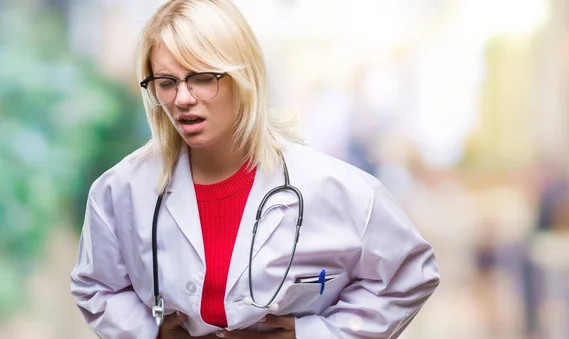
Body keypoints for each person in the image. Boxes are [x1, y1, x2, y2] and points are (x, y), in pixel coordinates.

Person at [69, 1, 440, 338]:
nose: (182, 99)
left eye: (202, 77)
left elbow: (409, 275)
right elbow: (96, 286)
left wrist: (311, 334)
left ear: (244, 77)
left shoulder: (340, 189)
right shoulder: (119, 191)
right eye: (166, 83)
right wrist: (149, 333)